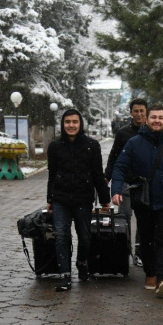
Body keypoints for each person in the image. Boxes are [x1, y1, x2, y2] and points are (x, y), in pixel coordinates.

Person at [111, 104, 163, 298]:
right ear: (147, 119)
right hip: (143, 200)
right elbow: (119, 167)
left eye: (161, 118)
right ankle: (150, 273)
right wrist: (116, 189)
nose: (157, 121)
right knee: (146, 239)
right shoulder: (134, 142)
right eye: (153, 117)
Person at [47, 109, 111, 292]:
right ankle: (64, 276)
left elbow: (97, 174)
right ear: (62, 124)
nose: (71, 125)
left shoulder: (92, 145)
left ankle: (82, 262)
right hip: (61, 199)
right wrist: (50, 199)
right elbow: (52, 175)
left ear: (80, 124)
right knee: (61, 235)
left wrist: (105, 199)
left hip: (83, 199)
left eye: (75, 122)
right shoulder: (55, 146)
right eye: (67, 122)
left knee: (85, 237)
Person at [105, 98, 148, 267]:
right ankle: (125, 248)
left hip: (144, 183)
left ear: (146, 112)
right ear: (131, 113)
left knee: (143, 218)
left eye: (142, 111)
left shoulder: (152, 131)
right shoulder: (123, 133)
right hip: (125, 181)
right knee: (124, 216)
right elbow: (114, 156)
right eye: (136, 111)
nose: (139, 114)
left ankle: (139, 252)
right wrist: (107, 176)